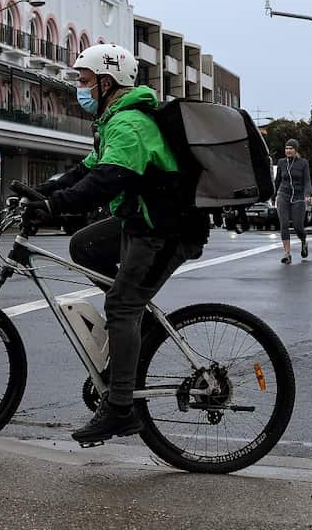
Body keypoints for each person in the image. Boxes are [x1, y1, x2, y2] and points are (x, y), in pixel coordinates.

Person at [26, 42, 206, 445]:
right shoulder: (114, 121)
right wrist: (38, 192)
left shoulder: (130, 125)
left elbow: (105, 180)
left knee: (121, 306)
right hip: (139, 224)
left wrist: (53, 208)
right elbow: (84, 171)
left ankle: (121, 409)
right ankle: (134, 319)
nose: (80, 88)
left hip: (165, 231)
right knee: (84, 247)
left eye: (85, 81)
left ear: (106, 82)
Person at [274, 139, 312, 264]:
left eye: (291, 148)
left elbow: (307, 181)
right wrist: (272, 195)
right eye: (286, 148)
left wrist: (307, 194)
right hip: (283, 195)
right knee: (284, 224)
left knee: (297, 226)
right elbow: (277, 180)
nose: (288, 150)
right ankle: (287, 254)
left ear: (296, 150)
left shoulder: (303, 163)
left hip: (298, 197)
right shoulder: (281, 162)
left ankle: (303, 240)